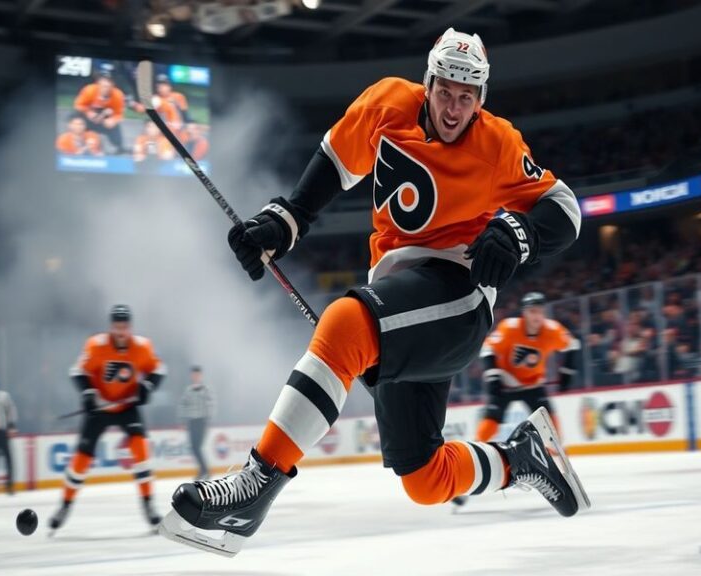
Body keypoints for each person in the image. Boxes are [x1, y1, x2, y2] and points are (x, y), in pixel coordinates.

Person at [160, 28, 589, 556]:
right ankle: (521, 458)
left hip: (458, 297)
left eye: (466, 97)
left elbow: (565, 209)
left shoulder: (496, 143)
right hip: (405, 301)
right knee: (425, 477)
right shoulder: (387, 104)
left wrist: (521, 234)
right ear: (428, 84)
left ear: (480, 99)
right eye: (445, 92)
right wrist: (288, 220)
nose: (453, 108)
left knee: (346, 322)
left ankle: (257, 482)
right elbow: (335, 161)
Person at [452, 292, 580, 506]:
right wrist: (493, 376)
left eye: (539, 311)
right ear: (524, 313)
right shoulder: (510, 328)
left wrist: (567, 370)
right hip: (505, 384)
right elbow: (488, 349)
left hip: (533, 386)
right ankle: (467, 479)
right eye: (532, 311)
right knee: (487, 429)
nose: (536, 316)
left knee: (551, 430)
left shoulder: (552, 330)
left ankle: (565, 478)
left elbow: (572, 345)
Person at [49, 305, 167, 532]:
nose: (121, 331)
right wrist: (87, 392)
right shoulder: (96, 345)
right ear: (111, 327)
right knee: (81, 460)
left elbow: (159, 369)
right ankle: (64, 505)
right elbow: (77, 371)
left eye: (124, 327)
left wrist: (147, 385)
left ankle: (149, 504)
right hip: (100, 407)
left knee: (141, 450)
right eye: (117, 327)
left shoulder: (142, 347)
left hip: (127, 406)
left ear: (130, 327)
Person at [73, 72, 126, 153]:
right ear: (98, 84)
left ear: (112, 86)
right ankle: (77, 144)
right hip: (88, 116)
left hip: (106, 118)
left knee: (114, 126)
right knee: (77, 119)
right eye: (103, 86)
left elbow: (119, 114)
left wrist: (114, 120)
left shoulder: (118, 95)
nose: (105, 89)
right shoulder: (89, 90)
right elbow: (78, 105)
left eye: (108, 86)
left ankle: (119, 147)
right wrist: (88, 112)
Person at [178, 366, 216, 480]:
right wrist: (183, 420)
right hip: (191, 421)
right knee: (194, 447)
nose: (195, 377)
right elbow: (182, 405)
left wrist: (208, 418)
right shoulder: (188, 390)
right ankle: (204, 470)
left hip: (201, 421)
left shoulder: (206, 389)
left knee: (197, 447)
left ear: (201, 376)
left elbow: (211, 404)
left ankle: (205, 470)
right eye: (194, 375)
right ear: (191, 376)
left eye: (197, 375)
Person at [0, 377, 17, 497]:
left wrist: (11, 427)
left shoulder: (3, 397)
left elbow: (11, 411)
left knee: (8, 458)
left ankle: (9, 485)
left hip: (2, 432)